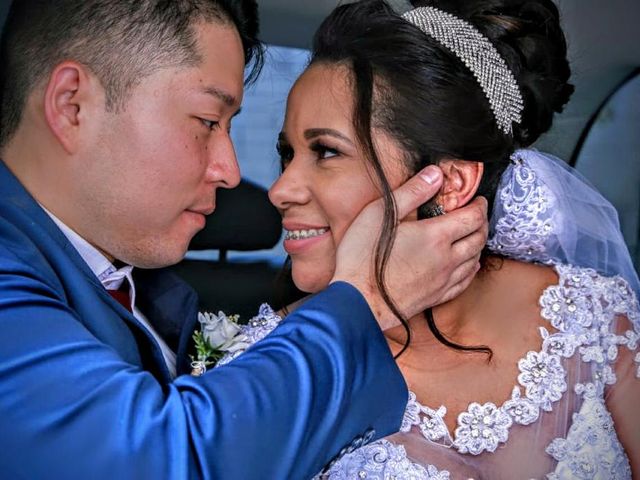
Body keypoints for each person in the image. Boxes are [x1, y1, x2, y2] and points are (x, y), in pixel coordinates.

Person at [0, 0, 491, 478]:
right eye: (208, 122)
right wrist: (360, 302)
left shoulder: (146, 289)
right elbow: (151, 460)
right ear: (72, 106)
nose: (232, 172)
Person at [213, 0, 640, 478]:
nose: (279, 189)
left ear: (451, 183)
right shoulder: (259, 370)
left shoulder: (593, 319)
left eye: (327, 152)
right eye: (287, 155)